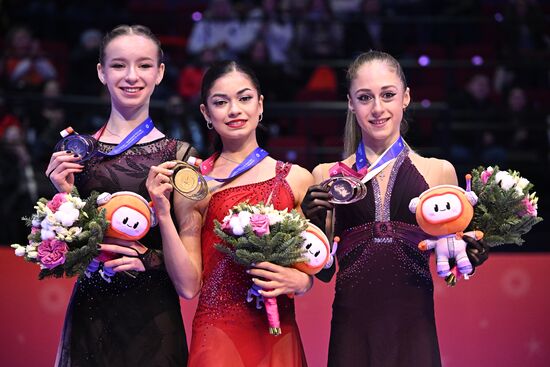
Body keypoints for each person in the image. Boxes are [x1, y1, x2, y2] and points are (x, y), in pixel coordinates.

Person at [300, 51, 490, 367]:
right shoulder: (326, 176)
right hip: (352, 329)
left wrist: (470, 254)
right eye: (365, 97)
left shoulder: (439, 172)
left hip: (413, 326)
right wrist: (310, 220)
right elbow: (323, 271)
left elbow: (451, 264)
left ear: (406, 97)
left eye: (388, 95)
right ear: (350, 103)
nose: (377, 108)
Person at [146, 60, 314, 367]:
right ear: (206, 114)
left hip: (277, 333)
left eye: (245, 98)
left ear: (260, 105)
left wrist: (302, 282)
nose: (234, 110)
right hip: (218, 334)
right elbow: (187, 286)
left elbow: (310, 267)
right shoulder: (195, 185)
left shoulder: (296, 179)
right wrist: (163, 213)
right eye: (221, 102)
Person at [45, 25, 191, 366]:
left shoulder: (179, 157)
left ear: (160, 73)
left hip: (155, 320)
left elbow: (190, 271)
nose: (131, 76)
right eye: (118, 65)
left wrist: (149, 259)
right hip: (91, 318)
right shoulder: (75, 155)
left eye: (143, 65)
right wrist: (64, 194)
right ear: (101, 72)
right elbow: (61, 259)